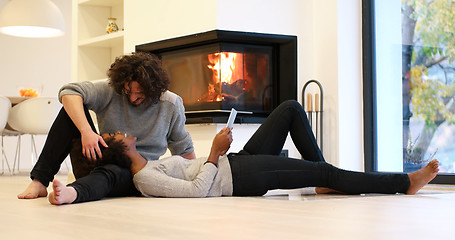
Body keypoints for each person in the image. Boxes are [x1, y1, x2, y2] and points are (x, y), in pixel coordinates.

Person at [48, 100, 439, 204]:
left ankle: (319, 179)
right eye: (114, 134)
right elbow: (199, 192)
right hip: (241, 178)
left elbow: (192, 173)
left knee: (288, 109)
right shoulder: (144, 177)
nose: (119, 129)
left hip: (236, 165)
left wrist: (211, 154)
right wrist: (215, 153)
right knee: (328, 173)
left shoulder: (148, 166)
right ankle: (403, 183)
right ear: (118, 149)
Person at [18, 52, 195, 199]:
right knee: (68, 114)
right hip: (99, 157)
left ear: (155, 89)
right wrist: (86, 131)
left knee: (115, 171)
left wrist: (195, 180)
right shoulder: (111, 90)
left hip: (136, 173)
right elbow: (69, 91)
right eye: (128, 91)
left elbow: (183, 149)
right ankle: (39, 182)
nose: (132, 98)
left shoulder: (171, 104)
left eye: (139, 94)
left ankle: (73, 193)